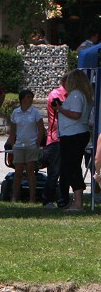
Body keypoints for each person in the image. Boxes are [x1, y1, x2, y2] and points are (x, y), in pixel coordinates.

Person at [56, 69, 94, 212]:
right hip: (78, 133)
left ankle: (78, 203)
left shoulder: (76, 95)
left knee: (72, 167)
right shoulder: (84, 95)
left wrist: (60, 109)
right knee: (73, 167)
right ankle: (77, 200)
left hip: (73, 134)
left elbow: (76, 114)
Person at [7, 89, 44, 204]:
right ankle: (14, 197)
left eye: (31, 97)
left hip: (31, 146)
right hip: (19, 146)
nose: (30, 99)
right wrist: (13, 144)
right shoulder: (15, 113)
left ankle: (32, 198)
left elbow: (41, 129)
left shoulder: (35, 113)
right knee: (18, 173)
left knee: (30, 172)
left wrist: (37, 143)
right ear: (22, 99)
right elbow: (12, 131)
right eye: (28, 97)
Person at [43, 72, 70, 208]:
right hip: (56, 138)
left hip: (67, 137)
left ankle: (63, 199)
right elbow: (60, 110)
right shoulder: (56, 94)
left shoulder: (72, 95)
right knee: (54, 171)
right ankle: (47, 199)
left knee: (66, 171)